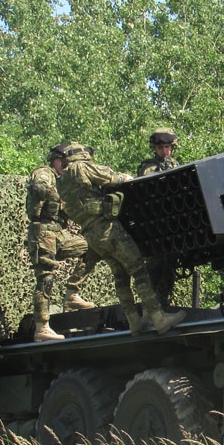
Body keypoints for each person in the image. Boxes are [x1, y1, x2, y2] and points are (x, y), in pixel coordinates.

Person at [56, 143, 186, 336]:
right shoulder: (81, 167)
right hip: (106, 228)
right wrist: (126, 178)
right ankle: (158, 317)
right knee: (138, 269)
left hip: (90, 234)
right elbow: (110, 178)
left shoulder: (62, 181)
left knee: (120, 275)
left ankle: (134, 321)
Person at [25, 143, 96, 342]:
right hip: (42, 232)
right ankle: (42, 327)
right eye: (63, 161)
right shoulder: (45, 173)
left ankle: (72, 293)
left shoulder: (64, 181)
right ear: (55, 160)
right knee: (46, 278)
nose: (66, 165)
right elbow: (39, 187)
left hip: (59, 234)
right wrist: (52, 190)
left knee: (92, 247)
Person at [137, 126, 181, 306]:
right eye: (160, 148)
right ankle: (150, 303)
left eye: (167, 147)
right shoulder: (148, 167)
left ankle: (163, 299)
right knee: (155, 266)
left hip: (172, 223)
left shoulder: (176, 164)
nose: (164, 151)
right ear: (154, 149)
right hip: (154, 224)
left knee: (170, 264)